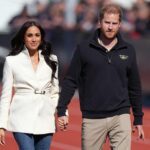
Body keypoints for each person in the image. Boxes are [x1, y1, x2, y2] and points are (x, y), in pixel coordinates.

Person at [57, 4, 145, 150]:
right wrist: (62, 110)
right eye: (107, 22)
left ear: (120, 24)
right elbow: (71, 80)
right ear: (99, 22)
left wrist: (138, 118)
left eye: (114, 23)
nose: (110, 27)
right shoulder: (84, 48)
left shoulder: (128, 50)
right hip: (92, 117)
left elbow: (134, 85)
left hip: (120, 115)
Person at [0, 20, 59, 150]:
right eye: (30, 35)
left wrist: (55, 110)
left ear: (42, 37)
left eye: (37, 35)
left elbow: (55, 91)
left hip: (45, 118)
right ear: (23, 37)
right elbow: (5, 96)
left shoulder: (52, 59)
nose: (34, 39)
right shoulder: (12, 61)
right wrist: (1, 125)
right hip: (21, 117)